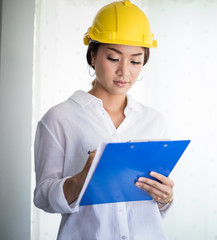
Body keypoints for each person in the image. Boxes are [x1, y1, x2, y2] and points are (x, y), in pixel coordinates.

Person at [33, 1, 174, 239]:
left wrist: (166, 197)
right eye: (113, 57)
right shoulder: (59, 119)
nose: (124, 72)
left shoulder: (154, 121)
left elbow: (157, 204)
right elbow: (43, 198)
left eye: (135, 60)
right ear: (92, 55)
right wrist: (82, 177)